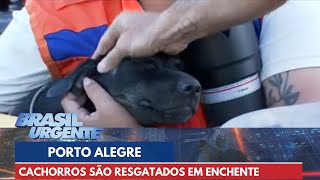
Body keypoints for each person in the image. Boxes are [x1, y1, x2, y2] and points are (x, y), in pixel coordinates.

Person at [0, 0, 286, 128]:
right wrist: (69, 141)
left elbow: (301, 156)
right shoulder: (49, 19)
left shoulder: (287, 10)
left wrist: (137, 152)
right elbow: (5, 150)